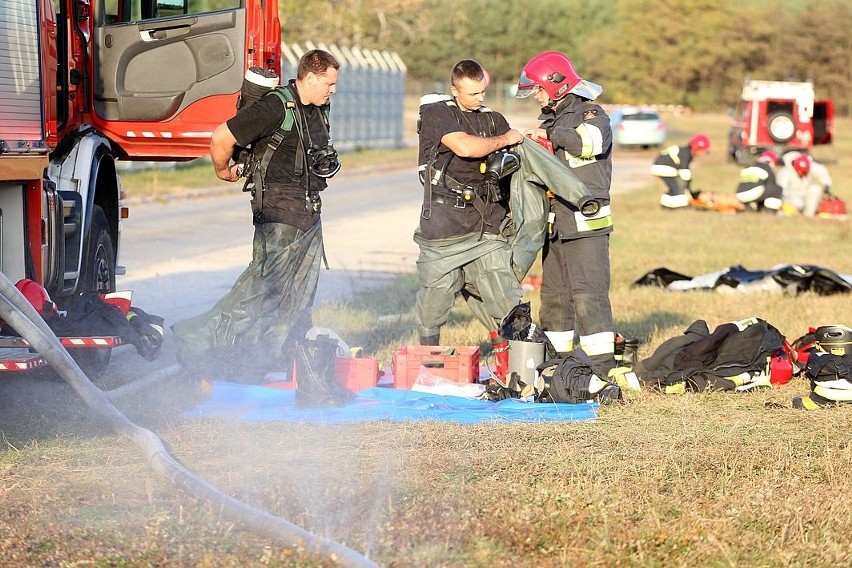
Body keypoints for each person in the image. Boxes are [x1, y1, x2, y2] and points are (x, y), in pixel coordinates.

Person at [172, 50, 351, 405]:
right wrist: (223, 170)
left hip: (306, 217)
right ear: (310, 77)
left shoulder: (317, 109)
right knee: (256, 297)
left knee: (296, 303)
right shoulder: (275, 107)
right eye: (329, 83)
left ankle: (295, 378)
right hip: (278, 219)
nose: (333, 90)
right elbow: (222, 138)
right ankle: (196, 348)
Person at [515, 51, 618, 379]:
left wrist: (551, 137)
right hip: (556, 224)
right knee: (554, 296)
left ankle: (600, 368)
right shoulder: (553, 119)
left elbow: (591, 143)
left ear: (556, 84)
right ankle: (559, 363)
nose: (536, 96)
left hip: (586, 223)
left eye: (538, 89)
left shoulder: (591, 113)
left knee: (590, 295)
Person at [414, 59, 525, 347]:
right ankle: (428, 359)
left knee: (502, 291)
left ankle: (512, 361)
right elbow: (465, 147)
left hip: (485, 223)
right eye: (472, 94)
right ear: (454, 90)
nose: (480, 99)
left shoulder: (494, 120)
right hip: (443, 225)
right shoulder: (438, 114)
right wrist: (506, 139)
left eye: (483, 92)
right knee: (436, 295)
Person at [650, 134, 711, 209]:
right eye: (704, 151)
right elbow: (685, 173)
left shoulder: (685, 151)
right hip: (664, 168)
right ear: (697, 148)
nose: (703, 154)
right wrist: (687, 189)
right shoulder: (686, 153)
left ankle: (666, 205)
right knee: (678, 188)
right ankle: (678, 206)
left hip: (663, 167)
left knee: (674, 188)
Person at [776, 151, 832, 216]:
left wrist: (827, 184)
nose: (804, 175)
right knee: (798, 203)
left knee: (815, 189)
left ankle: (809, 215)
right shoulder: (785, 172)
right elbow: (781, 190)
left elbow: (821, 171)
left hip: (804, 193)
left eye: (805, 173)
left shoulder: (808, 164)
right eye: (802, 173)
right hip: (789, 197)